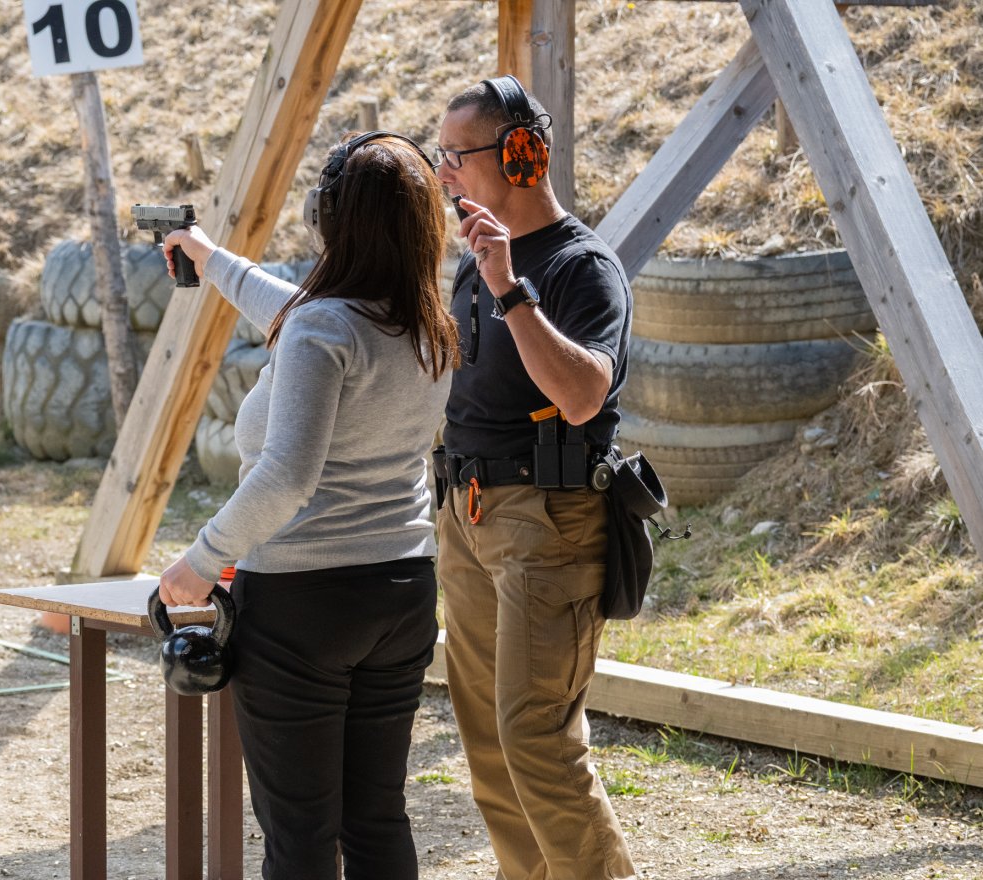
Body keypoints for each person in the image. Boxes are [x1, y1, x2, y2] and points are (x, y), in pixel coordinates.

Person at [156, 131, 459, 880]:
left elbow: (287, 477)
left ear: (327, 218)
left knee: (300, 836)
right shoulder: (427, 322)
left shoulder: (325, 326)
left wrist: (200, 562)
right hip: (402, 590)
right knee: (376, 818)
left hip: (304, 604)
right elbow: (291, 311)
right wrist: (208, 256)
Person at [432, 75, 638, 880]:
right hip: (467, 512)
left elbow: (583, 395)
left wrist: (509, 289)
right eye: (440, 156)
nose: (444, 173)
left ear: (522, 155)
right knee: (487, 737)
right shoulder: (476, 263)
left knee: (536, 736)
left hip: (546, 521)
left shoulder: (584, 268)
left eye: (457, 156)